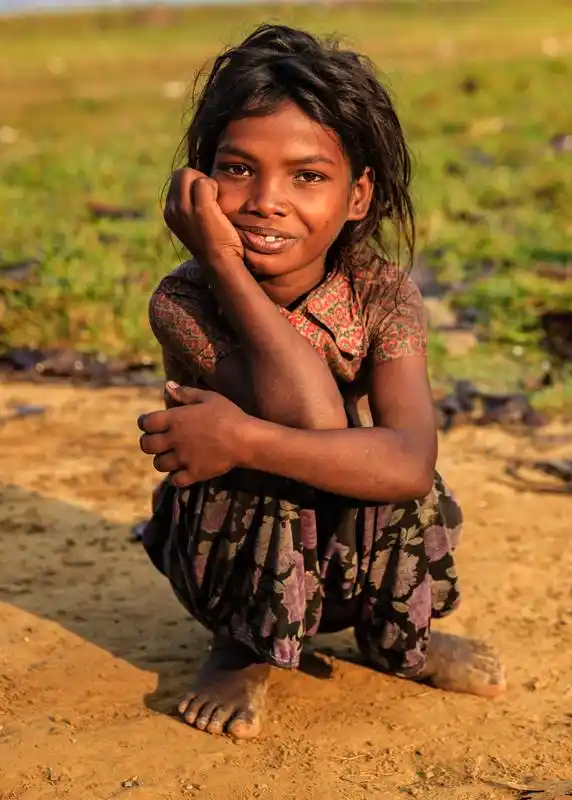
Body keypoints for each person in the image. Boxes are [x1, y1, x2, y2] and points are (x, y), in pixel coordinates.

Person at [137, 24, 505, 740]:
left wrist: (239, 435)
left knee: (388, 472)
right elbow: (303, 415)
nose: (265, 201)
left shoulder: (381, 295)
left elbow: (406, 461)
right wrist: (223, 268)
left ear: (358, 195)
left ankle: (401, 637)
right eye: (238, 170)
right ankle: (242, 650)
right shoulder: (183, 302)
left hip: (351, 561)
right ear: (201, 184)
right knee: (271, 472)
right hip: (230, 557)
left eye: (307, 176)